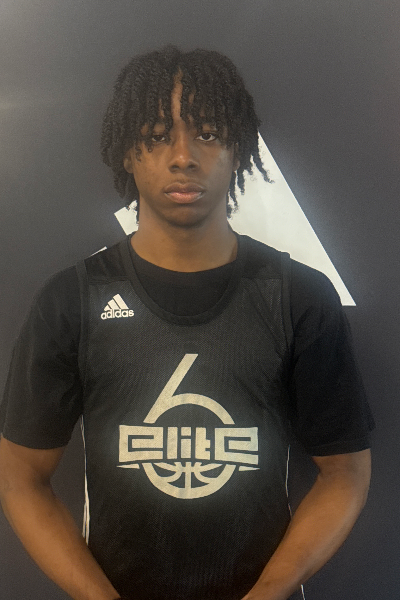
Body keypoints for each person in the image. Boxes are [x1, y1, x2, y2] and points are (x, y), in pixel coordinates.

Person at [0, 46, 374, 600]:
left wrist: (267, 594)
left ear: (238, 149)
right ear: (127, 153)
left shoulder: (299, 296)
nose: (183, 157)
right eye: (156, 136)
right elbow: (20, 477)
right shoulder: (71, 300)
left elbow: (345, 474)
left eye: (208, 134)